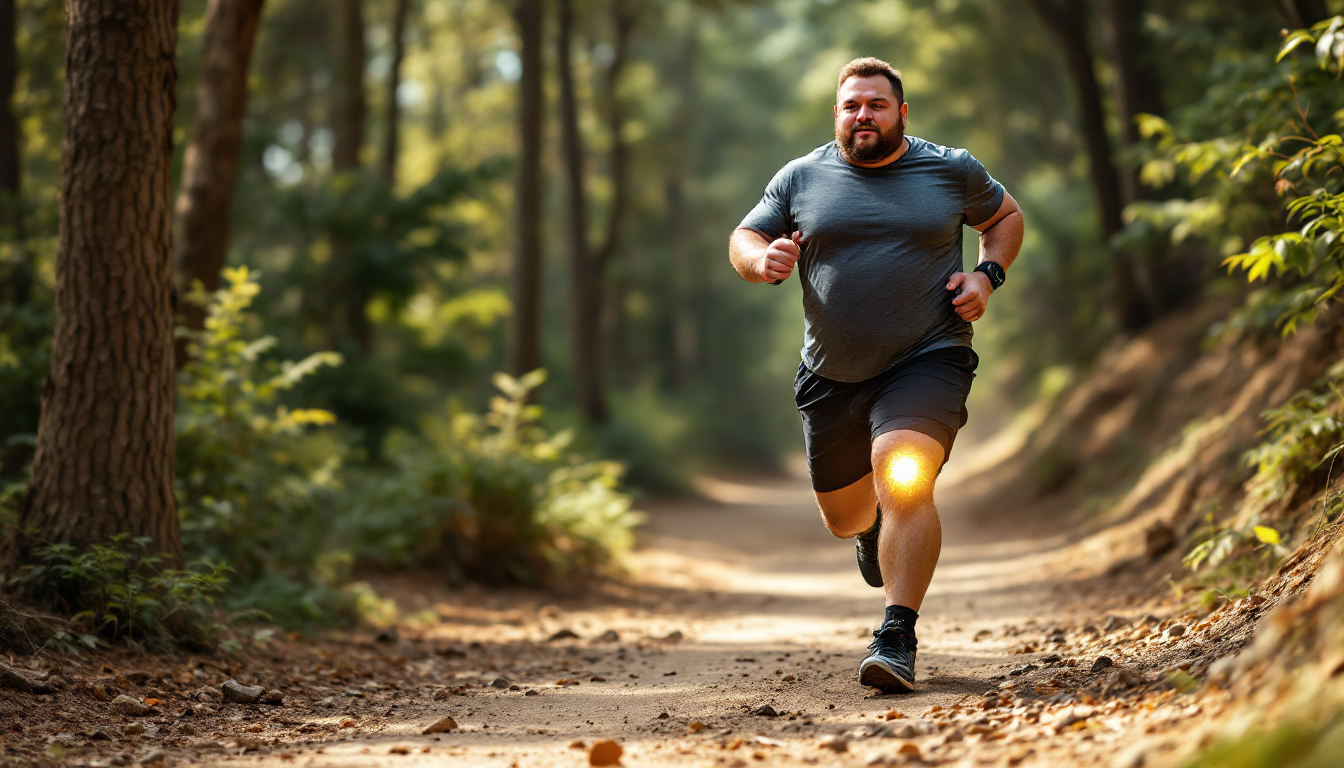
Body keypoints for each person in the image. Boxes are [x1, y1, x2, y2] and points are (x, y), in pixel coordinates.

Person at [728, 57, 1024, 693]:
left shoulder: (950, 168)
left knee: (904, 475)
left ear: (901, 113)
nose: (863, 115)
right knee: (845, 515)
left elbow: (1005, 217)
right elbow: (744, 238)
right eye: (851, 106)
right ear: (837, 113)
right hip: (832, 373)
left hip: (929, 354)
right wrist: (763, 259)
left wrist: (986, 275)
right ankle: (867, 531)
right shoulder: (801, 177)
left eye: (876, 105)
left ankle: (897, 633)